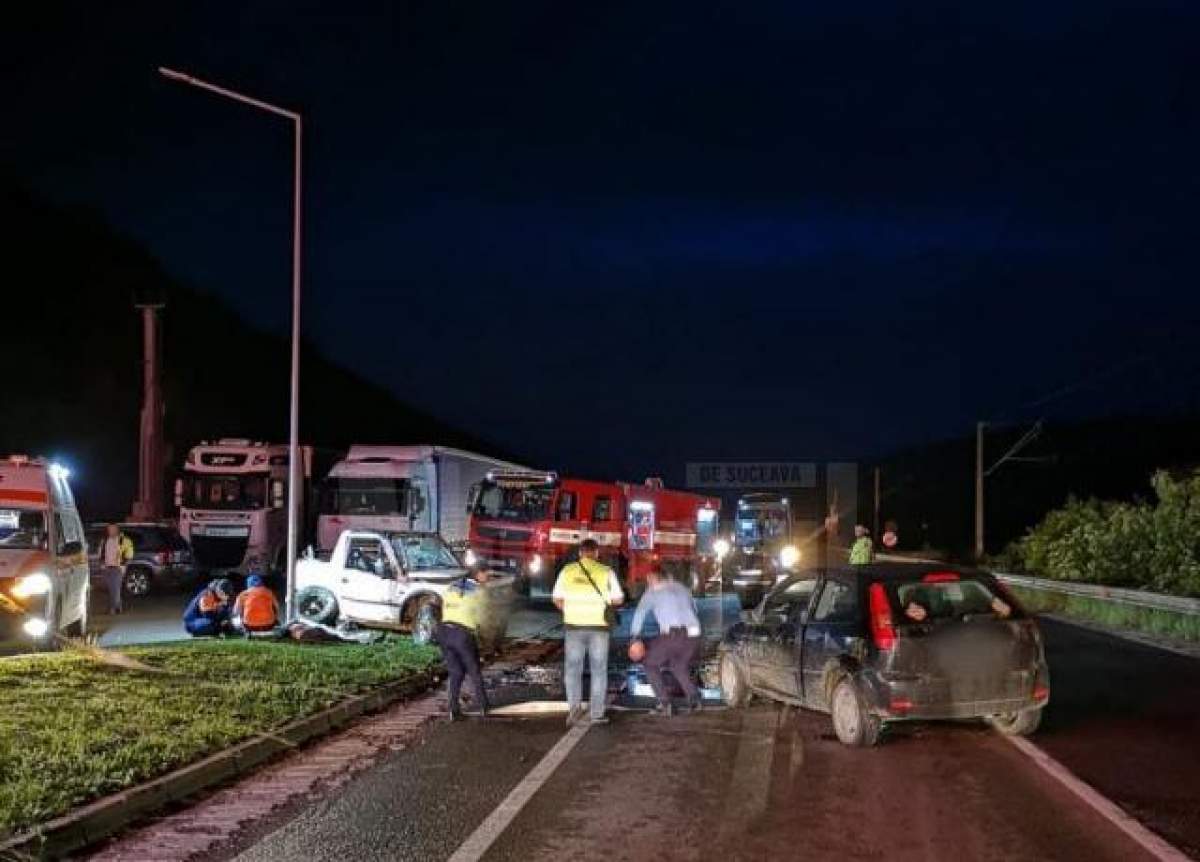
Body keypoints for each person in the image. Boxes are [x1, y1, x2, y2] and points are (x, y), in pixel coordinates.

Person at [552, 538, 624, 726]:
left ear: (580, 553)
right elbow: (618, 599)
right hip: (598, 628)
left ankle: (574, 711)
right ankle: (596, 714)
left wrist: (572, 609)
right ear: (597, 553)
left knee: (573, 670)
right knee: (598, 671)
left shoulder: (567, 571)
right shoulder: (606, 572)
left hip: (574, 627)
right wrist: (602, 600)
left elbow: (557, 599)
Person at [628, 569, 703, 716]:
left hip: (673, 634)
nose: (647, 582)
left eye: (649, 579)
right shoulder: (682, 588)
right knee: (678, 666)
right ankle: (694, 700)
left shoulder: (653, 591)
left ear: (654, 578)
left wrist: (634, 638)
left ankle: (664, 704)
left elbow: (640, 614)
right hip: (694, 634)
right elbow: (694, 610)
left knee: (650, 664)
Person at [435, 568, 493, 721]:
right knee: (474, 671)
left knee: (456, 672)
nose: (489, 577)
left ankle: (454, 710)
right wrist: (484, 637)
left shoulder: (450, 587)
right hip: (462, 634)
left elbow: (442, 607)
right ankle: (485, 707)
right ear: (479, 574)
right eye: (487, 574)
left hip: (443, 632)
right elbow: (482, 618)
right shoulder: (479, 591)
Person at [95, 524, 134, 615]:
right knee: (112, 589)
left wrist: (123, 564)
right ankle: (118, 607)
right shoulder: (105, 540)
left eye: (112, 529)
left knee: (115, 588)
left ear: (117, 530)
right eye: (109, 529)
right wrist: (101, 563)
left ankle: (112, 609)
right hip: (107, 567)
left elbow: (129, 553)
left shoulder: (124, 540)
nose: (110, 531)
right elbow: (100, 553)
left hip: (117, 568)